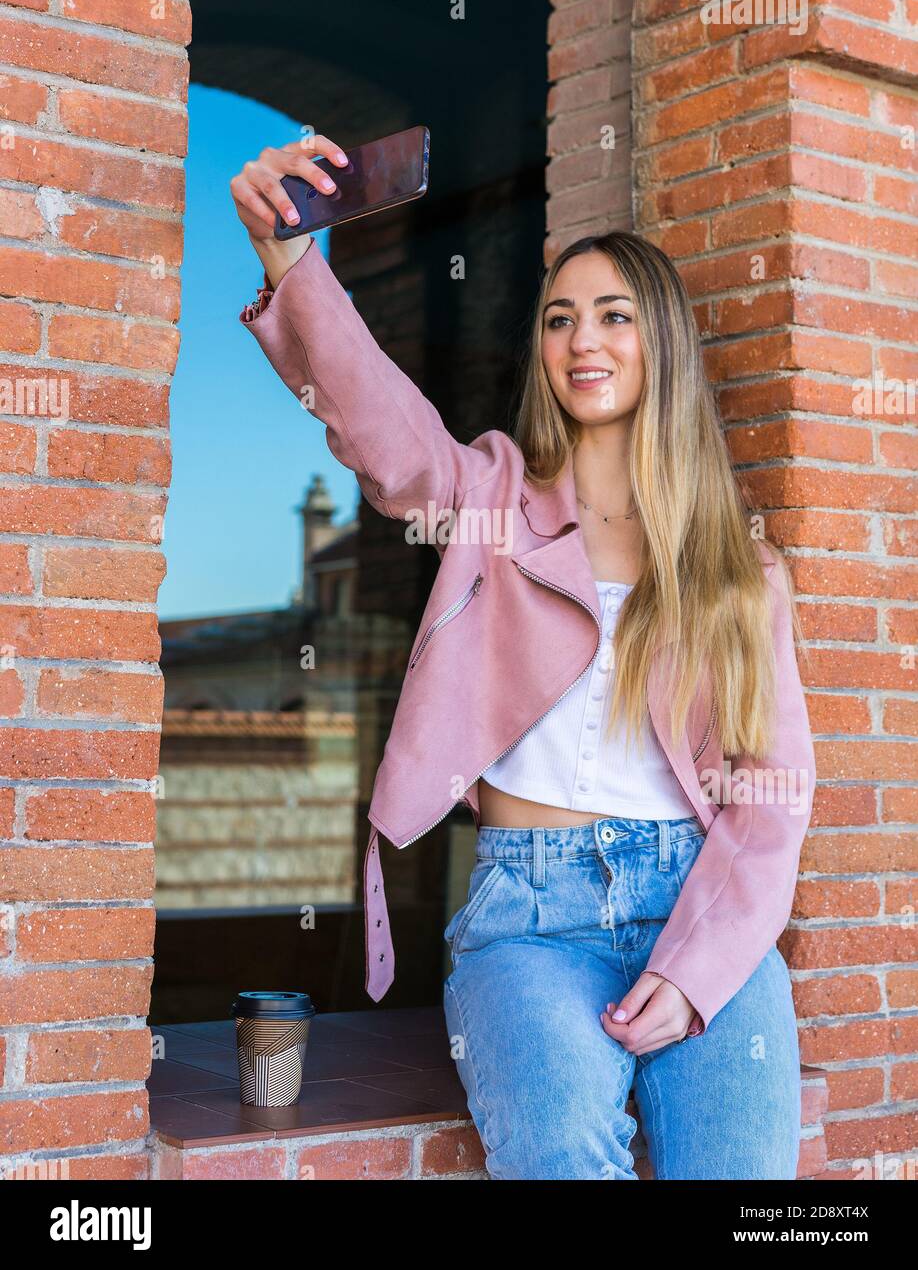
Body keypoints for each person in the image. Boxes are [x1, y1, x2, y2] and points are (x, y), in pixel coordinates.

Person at [231, 134, 817, 1180]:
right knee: (560, 1156)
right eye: (559, 318)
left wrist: (696, 972)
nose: (581, 339)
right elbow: (385, 431)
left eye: (613, 315)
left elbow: (770, 801)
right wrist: (291, 263)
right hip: (529, 918)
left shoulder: (740, 567)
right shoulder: (490, 501)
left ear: (662, 344)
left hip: (699, 901)